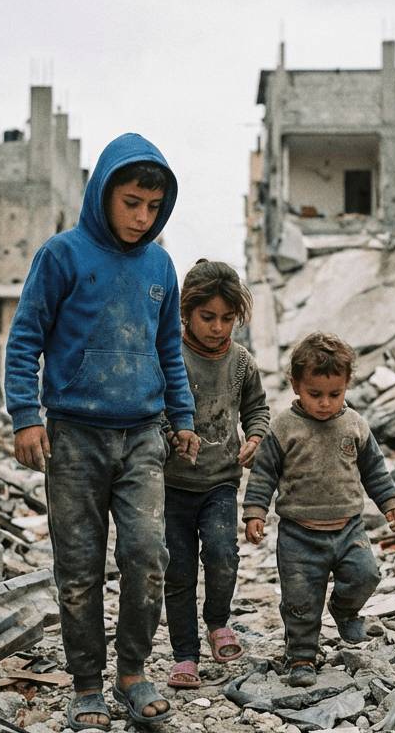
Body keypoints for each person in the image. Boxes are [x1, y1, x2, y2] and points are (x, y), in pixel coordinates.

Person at [5, 133, 201, 731]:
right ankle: (87, 684)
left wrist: (184, 416)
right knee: (80, 567)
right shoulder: (62, 256)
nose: (142, 218)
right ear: (102, 194)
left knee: (147, 555)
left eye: (152, 207)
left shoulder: (161, 265)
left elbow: (170, 349)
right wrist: (25, 417)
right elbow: (25, 339)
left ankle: (133, 674)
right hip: (74, 438)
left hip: (143, 435)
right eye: (131, 202)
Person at [242, 331, 395, 688]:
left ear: (347, 385)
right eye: (315, 394)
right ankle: (301, 655)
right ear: (296, 385)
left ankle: (345, 609)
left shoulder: (355, 425)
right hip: (299, 534)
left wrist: (390, 503)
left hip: (349, 528)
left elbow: (374, 469)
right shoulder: (283, 427)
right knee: (300, 599)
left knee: (366, 575)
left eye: (335, 394)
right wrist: (255, 511)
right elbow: (264, 472)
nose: (325, 403)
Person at [162, 259, 270, 690]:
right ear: (186, 312)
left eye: (228, 319)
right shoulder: (169, 355)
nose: (218, 327)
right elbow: (153, 407)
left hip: (221, 483)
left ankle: (218, 622)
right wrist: (170, 434)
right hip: (170, 486)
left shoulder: (242, 363)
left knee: (223, 555)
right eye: (208, 317)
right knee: (179, 570)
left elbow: (257, 409)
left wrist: (256, 437)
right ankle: (184, 654)